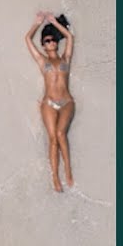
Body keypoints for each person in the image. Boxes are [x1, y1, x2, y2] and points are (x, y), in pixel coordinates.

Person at [25, 11, 75, 192]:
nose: (51, 42)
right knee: (53, 139)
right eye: (47, 41)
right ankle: (55, 177)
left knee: (61, 134)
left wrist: (54, 22)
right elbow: (27, 39)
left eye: (53, 39)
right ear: (43, 46)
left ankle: (67, 169)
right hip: (49, 104)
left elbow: (69, 37)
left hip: (67, 102)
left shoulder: (65, 58)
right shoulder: (42, 61)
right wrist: (37, 24)